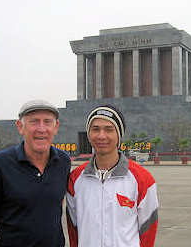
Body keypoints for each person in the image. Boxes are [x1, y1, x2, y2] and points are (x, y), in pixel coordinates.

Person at [0, 100, 71, 247]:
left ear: (55, 127)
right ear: (20, 127)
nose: (41, 129)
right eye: (34, 122)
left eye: (47, 122)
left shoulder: (63, 162)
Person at [66, 105, 159, 247]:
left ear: (119, 134)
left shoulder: (143, 179)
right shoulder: (75, 179)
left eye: (109, 129)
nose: (101, 136)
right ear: (89, 134)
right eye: (95, 129)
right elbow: (73, 230)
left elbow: (148, 230)